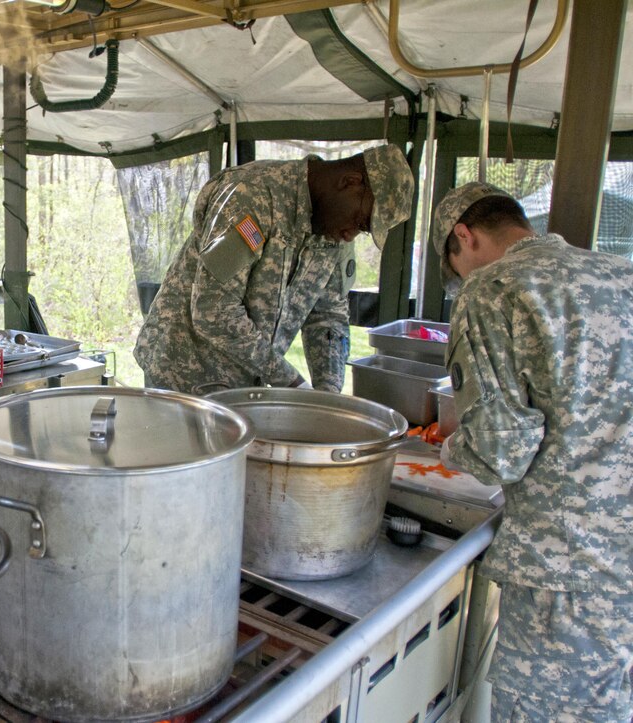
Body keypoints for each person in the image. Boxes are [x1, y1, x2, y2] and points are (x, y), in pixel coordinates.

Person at [432, 182, 633, 722]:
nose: (462, 283)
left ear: (463, 236)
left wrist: (450, 449)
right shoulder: (621, 275)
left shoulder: (493, 289)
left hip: (567, 571)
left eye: (456, 269)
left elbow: (500, 453)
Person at [133, 144, 414, 394]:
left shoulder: (332, 231)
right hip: (182, 375)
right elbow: (213, 308)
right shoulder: (251, 195)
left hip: (243, 383)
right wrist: (290, 381)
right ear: (351, 182)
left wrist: (327, 395)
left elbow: (328, 315)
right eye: (361, 221)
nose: (352, 235)